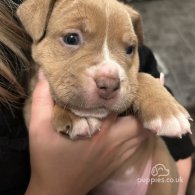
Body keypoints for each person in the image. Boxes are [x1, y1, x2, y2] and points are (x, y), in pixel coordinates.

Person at [0, 0, 194, 195]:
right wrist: (52, 187)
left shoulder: (116, 15)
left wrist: (152, 93)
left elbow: (143, 66)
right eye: (72, 38)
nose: (108, 76)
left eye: (128, 49)